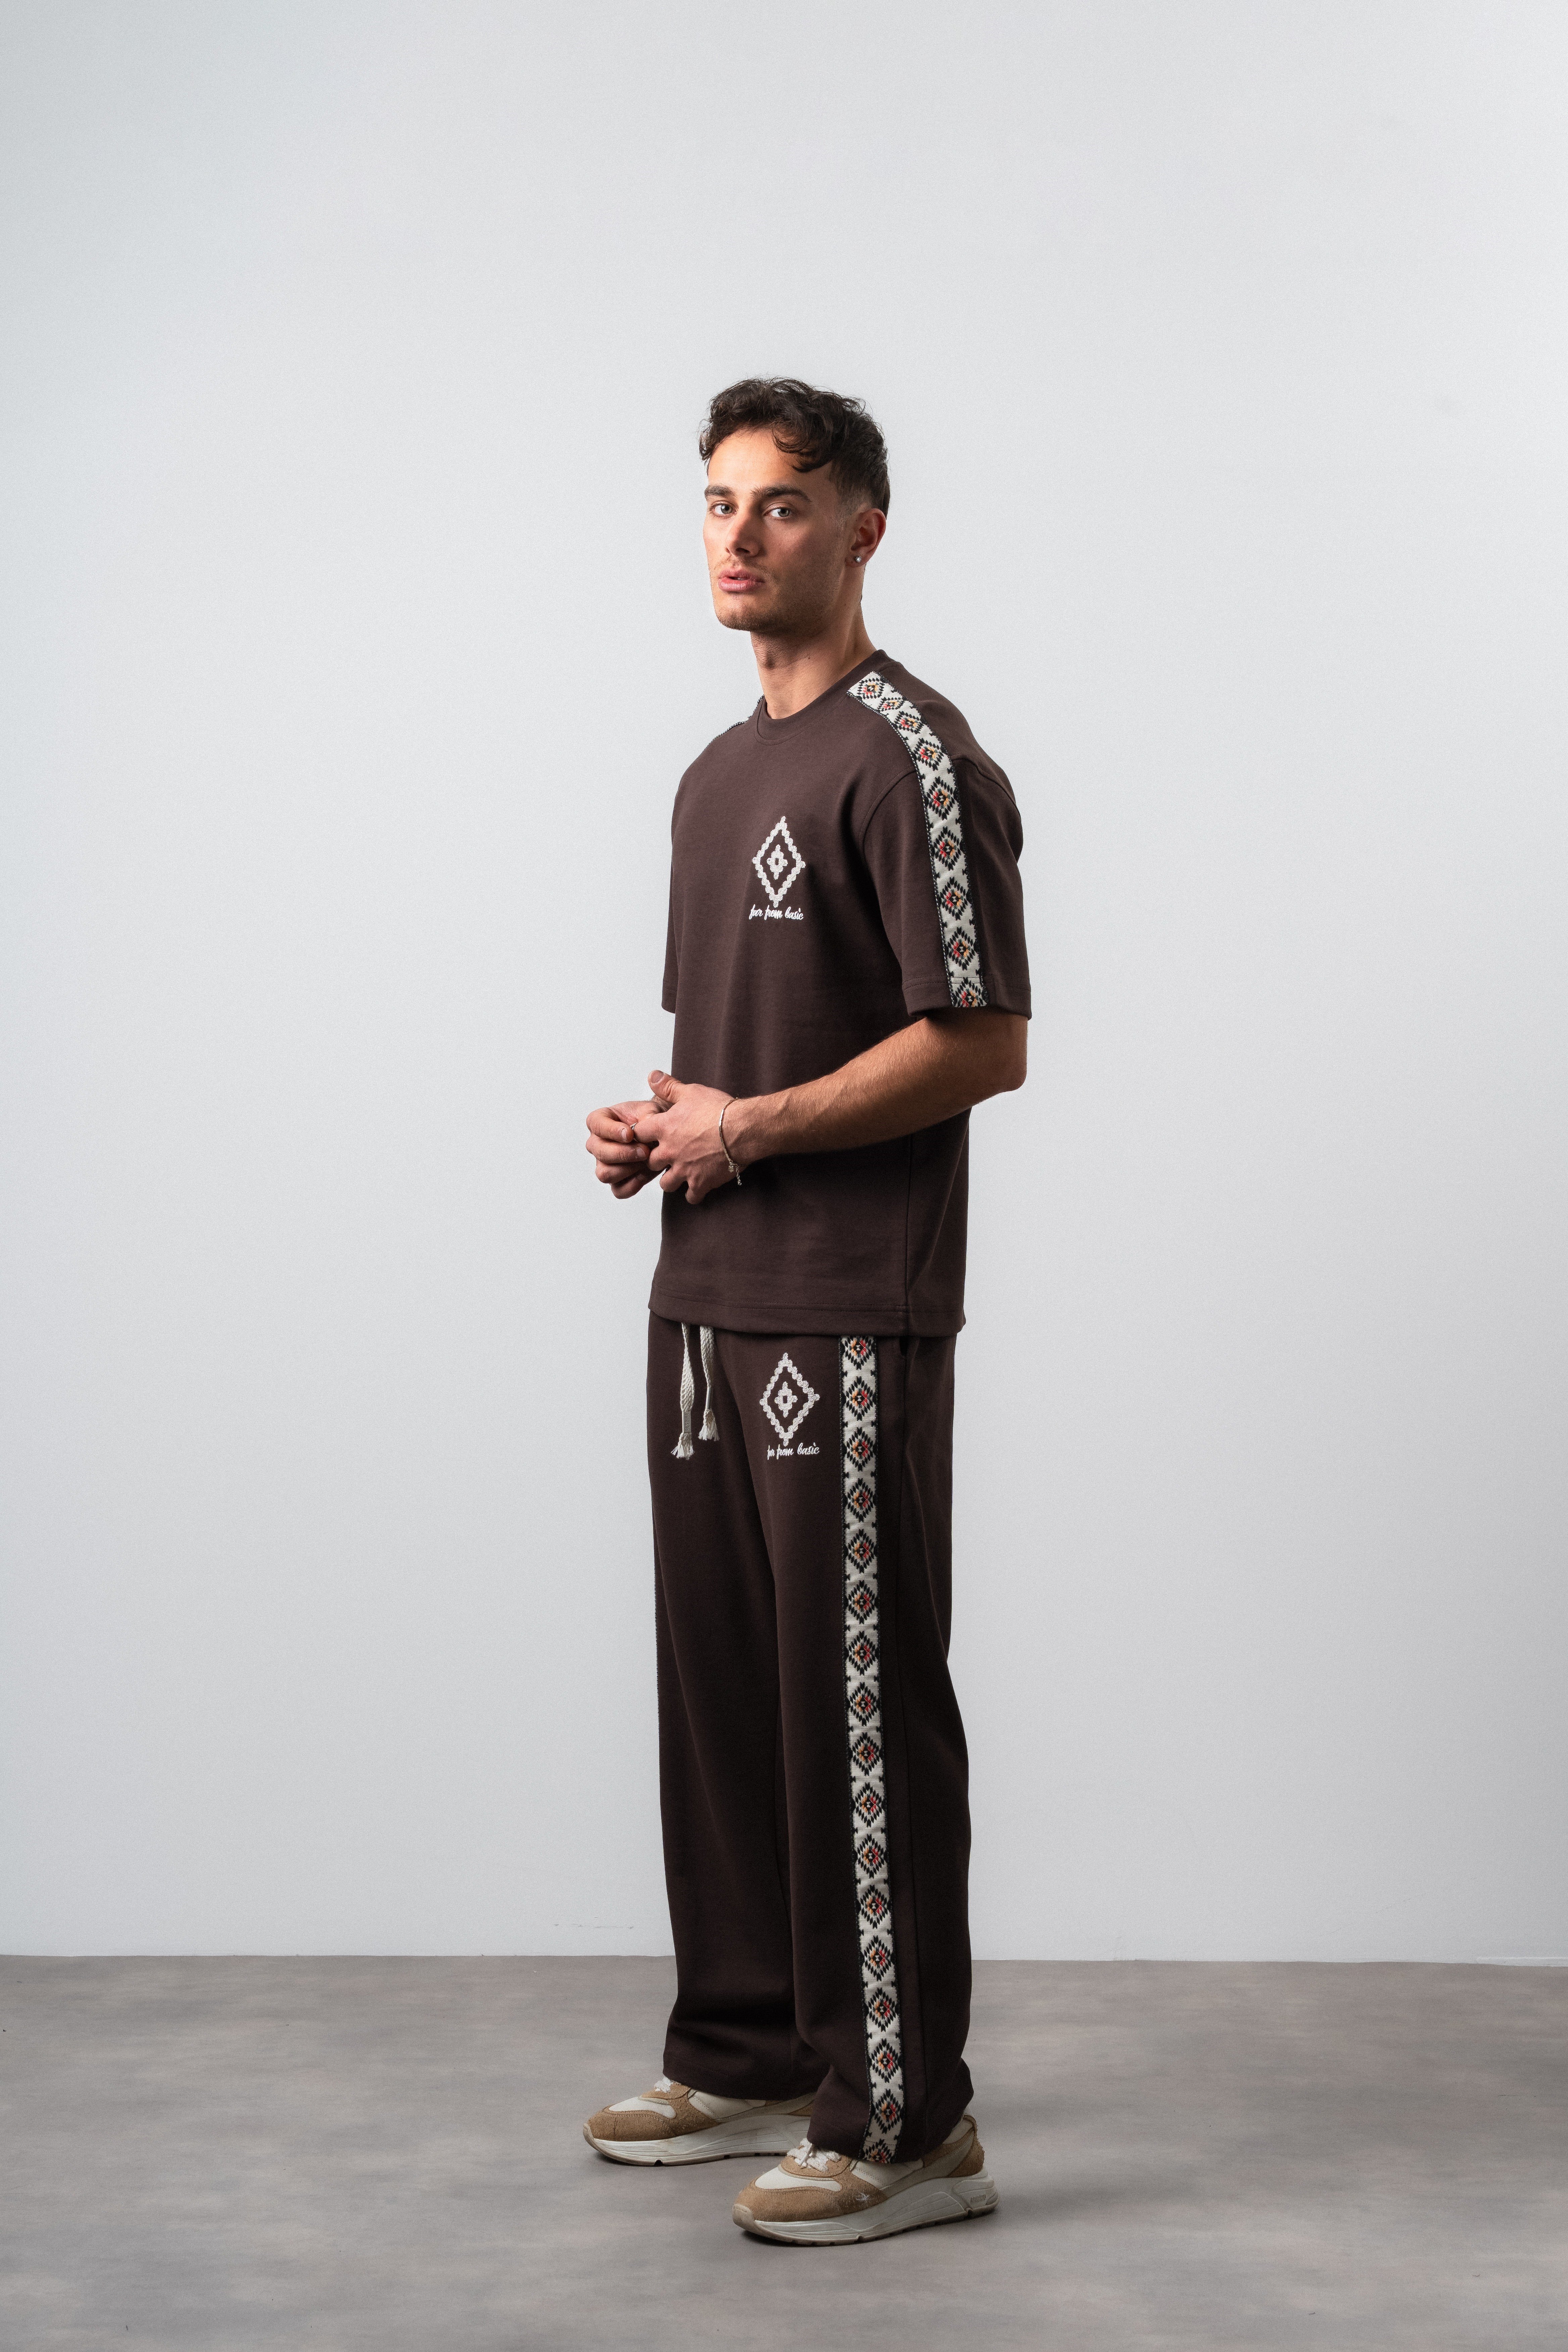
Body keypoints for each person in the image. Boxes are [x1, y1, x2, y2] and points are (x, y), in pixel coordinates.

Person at [582, 378, 1031, 2246]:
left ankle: (909, 2120)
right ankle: (756, 2047)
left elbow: (983, 1043)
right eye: (716, 502)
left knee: (854, 1709)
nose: (739, 535)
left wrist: (750, 1129)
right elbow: (736, 1054)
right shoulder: (713, 776)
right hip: (707, 1303)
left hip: (849, 1317)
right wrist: (661, 1134)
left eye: (779, 504)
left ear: (862, 530)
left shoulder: (913, 757)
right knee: (723, 1703)